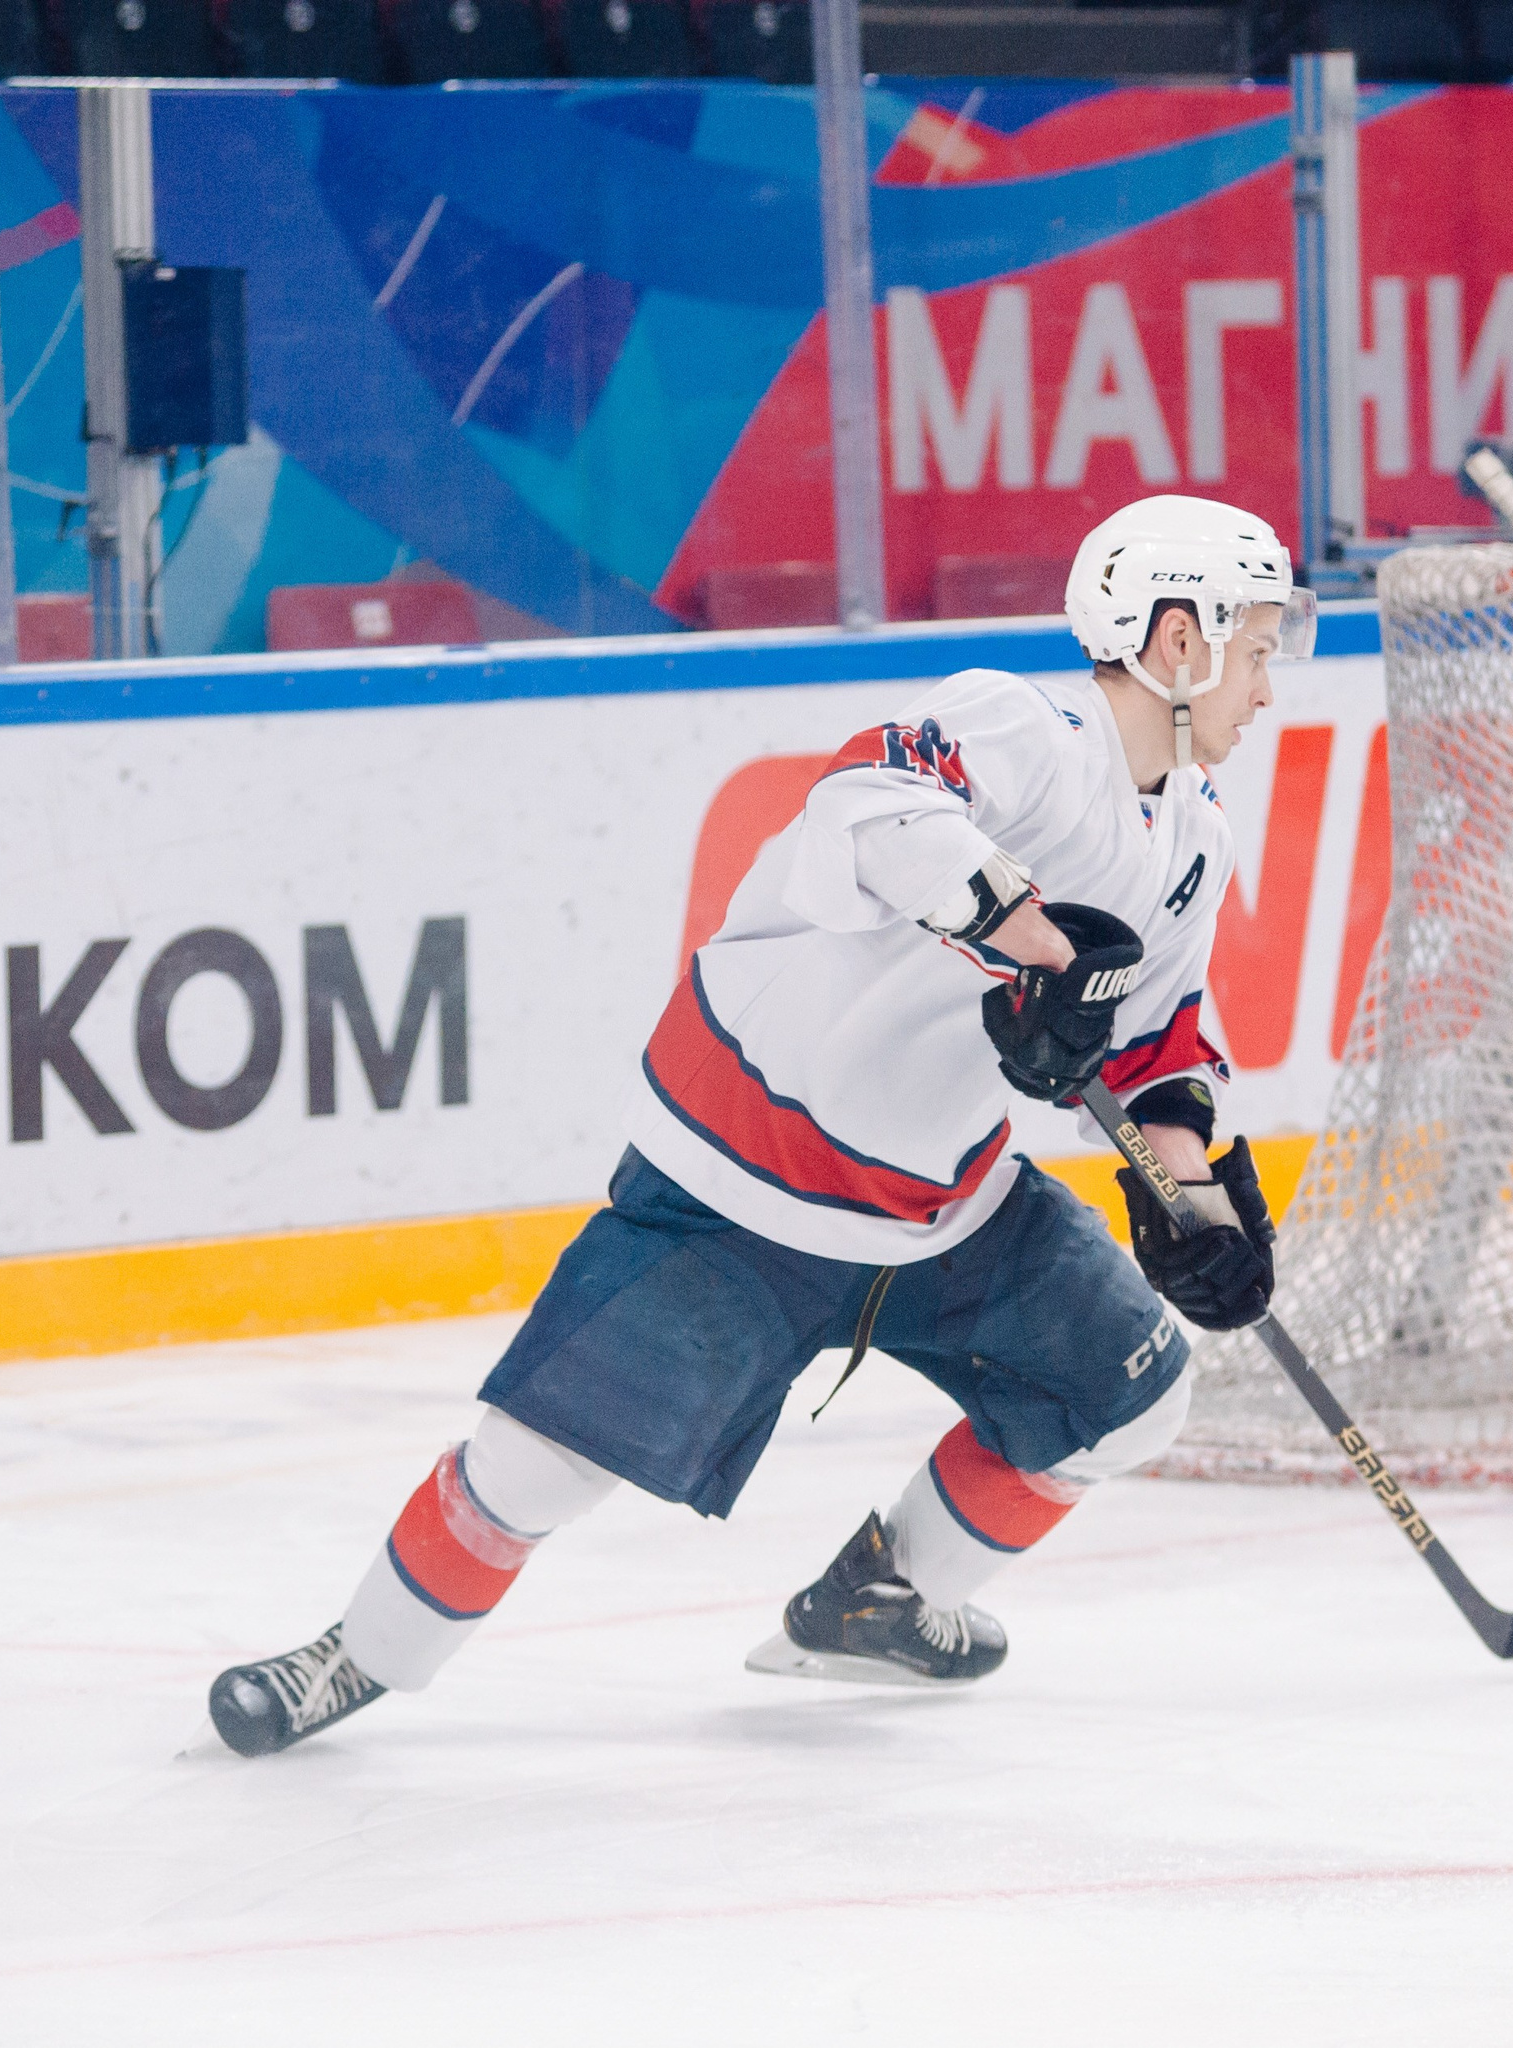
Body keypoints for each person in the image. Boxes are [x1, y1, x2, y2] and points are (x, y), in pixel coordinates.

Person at [205, 496, 1315, 1755]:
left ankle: (876, 1599)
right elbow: (874, 797)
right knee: (534, 1466)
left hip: (945, 1202)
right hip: (747, 1177)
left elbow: (1158, 1033)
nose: (1272, 686)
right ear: (1179, 642)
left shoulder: (1193, 835)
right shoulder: (1027, 727)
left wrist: (1196, 1202)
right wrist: (1034, 945)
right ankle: (355, 1656)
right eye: (1263, 646)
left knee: (1135, 1394)